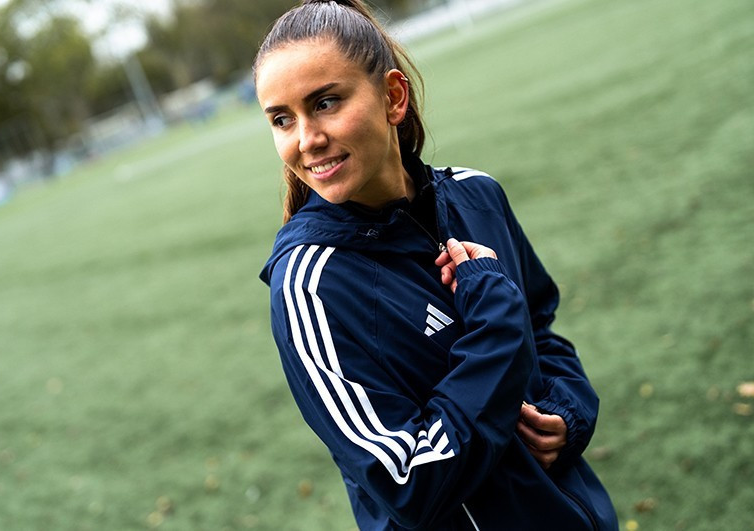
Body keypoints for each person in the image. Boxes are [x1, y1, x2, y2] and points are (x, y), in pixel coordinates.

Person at [255, 1, 617, 529]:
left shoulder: (478, 194)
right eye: (282, 119)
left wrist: (569, 412)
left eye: (326, 103)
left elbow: (541, 330)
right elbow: (407, 484)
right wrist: (495, 319)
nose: (306, 139)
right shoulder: (309, 284)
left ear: (393, 97)